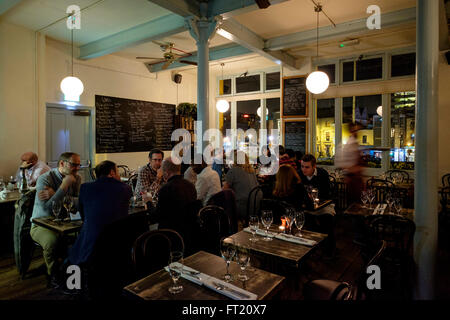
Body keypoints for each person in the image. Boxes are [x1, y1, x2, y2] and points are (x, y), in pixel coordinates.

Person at [30, 152, 81, 287]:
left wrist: (56, 193)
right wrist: (64, 186)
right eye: (73, 164)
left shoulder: (77, 178)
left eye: (78, 165)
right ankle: (53, 275)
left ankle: (73, 273)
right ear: (62, 164)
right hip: (41, 224)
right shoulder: (45, 179)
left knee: (82, 236)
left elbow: (78, 204)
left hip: (65, 223)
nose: (77, 168)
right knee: (51, 241)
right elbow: (47, 209)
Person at [67, 160, 132, 266]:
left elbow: (83, 215)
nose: (119, 175)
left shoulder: (85, 188)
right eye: (118, 171)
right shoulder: (125, 188)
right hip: (118, 242)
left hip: (90, 244)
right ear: (112, 172)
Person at [156, 157, 199, 254]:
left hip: (171, 235)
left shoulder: (166, 189)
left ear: (166, 173)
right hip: (190, 232)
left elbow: (157, 216)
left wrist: (148, 202)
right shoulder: (191, 185)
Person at [224, 150, 259, 224]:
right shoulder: (252, 171)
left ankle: (231, 229)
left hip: (242, 207)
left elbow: (224, 190)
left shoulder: (233, 171)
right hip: (255, 206)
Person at [334, 122, 364, 205]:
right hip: (352, 180)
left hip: (358, 179)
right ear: (350, 131)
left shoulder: (356, 144)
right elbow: (340, 164)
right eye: (355, 130)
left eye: (358, 130)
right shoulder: (347, 146)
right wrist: (351, 171)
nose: (357, 132)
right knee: (354, 204)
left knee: (359, 203)